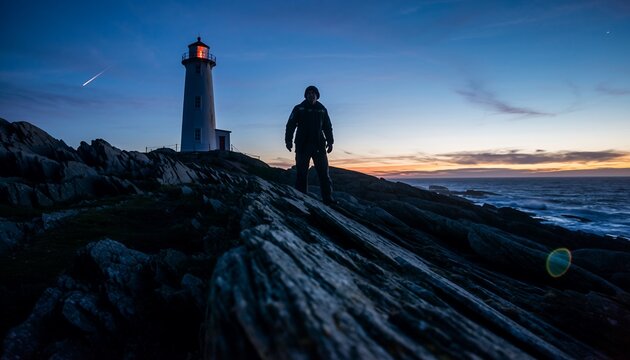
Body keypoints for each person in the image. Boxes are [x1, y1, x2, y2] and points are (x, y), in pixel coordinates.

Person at [285, 85, 335, 204]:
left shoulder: (322, 109)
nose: (311, 95)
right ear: (306, 95)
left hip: (319, 145)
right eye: (309, 93)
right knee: (301, 173)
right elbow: (290, 125)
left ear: (317, 96)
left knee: (324, 174)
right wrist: (288, 140)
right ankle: (301, 197)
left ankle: (328, 199)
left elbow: (327, 127)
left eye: (313, 93)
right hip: (302, 145)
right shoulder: (299, 108)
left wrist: (330, 141)